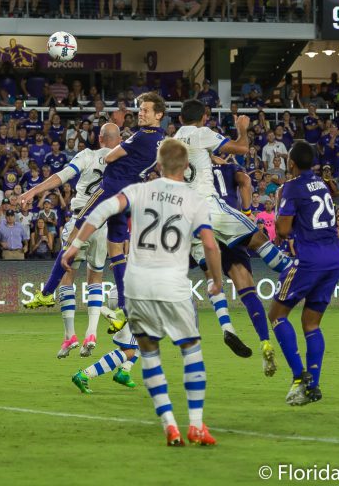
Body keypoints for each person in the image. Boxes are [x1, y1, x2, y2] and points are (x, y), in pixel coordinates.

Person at [63, 138, 223, 447]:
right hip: (172, 284)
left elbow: (97, 213)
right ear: (186, 166)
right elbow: (211, 245)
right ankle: (196, 426)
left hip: (138, 284)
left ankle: (170, 426)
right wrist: (215, 280)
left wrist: (72, 248)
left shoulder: (137, 190)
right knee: (191, 352)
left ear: (158, 165)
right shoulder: (194, 200)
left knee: (146, 354)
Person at [21, 92, 166, 332]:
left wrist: (32, 192)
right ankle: (123, 310)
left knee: (72, 241)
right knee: (117, 253)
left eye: (146, 110)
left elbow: (109, 157)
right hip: (129, 195)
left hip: (108, 191)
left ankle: (47, 292)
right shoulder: (161, 138)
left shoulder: (134, 139)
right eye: (140, 109)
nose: (141, 113)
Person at [174, 99, 299, 361]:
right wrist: (242, 127)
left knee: (213, 276)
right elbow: (242, 149)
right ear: (204, 118)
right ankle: (293, 272)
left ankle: (229, 328)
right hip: (211, 208)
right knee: (258, 238)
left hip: (187, 217)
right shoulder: (203, 136)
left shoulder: (172, 142)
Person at [19, 124, 119, 357]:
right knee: (96, 277)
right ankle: (92, 333)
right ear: (118, 139)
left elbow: (62, 176)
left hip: (80, 222)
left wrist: (34, 191)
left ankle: (69, 336)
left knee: (67, 276)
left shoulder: (87, 155)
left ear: (100, 138)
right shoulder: (122, 160)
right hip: (104, 225)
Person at [269, 141, 339, 406]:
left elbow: (282, 230)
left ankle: (299, 378)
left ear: (291, 163)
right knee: (311, 323)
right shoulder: (321, 183)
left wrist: (279, 202)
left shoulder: (291, 187)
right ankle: (313, 384)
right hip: (335, 258)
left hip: (310, 258)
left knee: (277, 315)